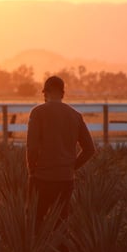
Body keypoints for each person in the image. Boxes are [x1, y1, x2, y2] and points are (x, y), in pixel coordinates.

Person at [26, 76, 95, 228]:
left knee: (35, 222)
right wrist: (71, 167)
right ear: (63, 93)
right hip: (65, 179)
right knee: (61, 223)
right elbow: (90, 149)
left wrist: (32, 170)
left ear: (46, 93)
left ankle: (38, 251)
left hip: (42, 178)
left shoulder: (37, 113)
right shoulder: (75, 115)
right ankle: (62, 251)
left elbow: (32, 148)